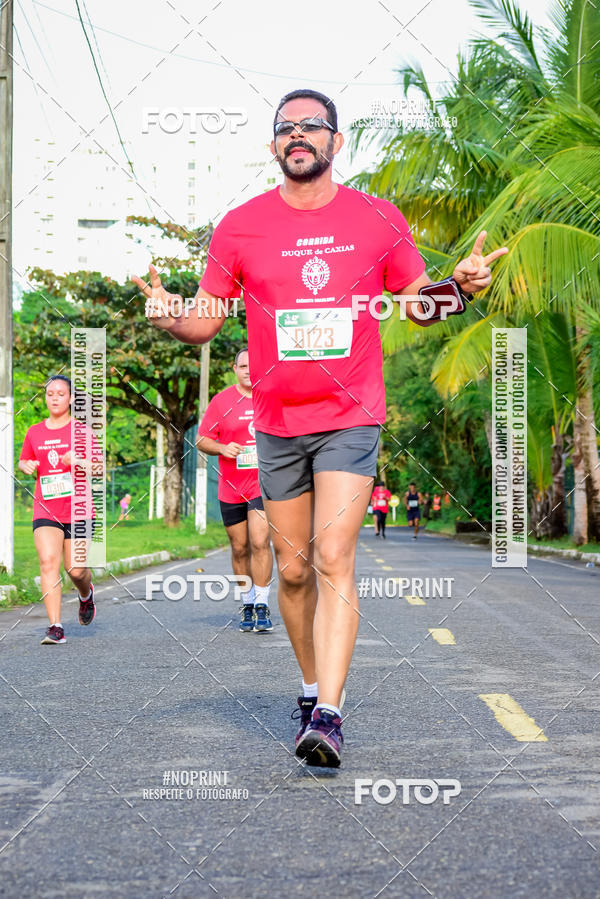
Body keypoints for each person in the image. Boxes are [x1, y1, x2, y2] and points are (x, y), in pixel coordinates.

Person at [134, 87, 507, 767]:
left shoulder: (376, 218)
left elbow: (418, 304)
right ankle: (310, 689)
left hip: (350, 415)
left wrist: (460, 286)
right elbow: (207, 320)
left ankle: (329, 716)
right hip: (278, 423)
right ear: (274, 146)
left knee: (335, 557)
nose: (298, 134)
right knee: (295, 570)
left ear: (336, 143)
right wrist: (168, 313)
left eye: (312, 125)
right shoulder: (241, 226)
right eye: (286, 127)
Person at [196, 348, 274, 633]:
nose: (248, 371)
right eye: (242, 366)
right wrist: (222, 448)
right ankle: (248, 602)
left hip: (262, 483)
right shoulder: (222, 401)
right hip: (231, 487)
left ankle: (263, 603)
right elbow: (202, 439)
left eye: (253, 366)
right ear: (234, 368)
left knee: (259, 541)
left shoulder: (271, 398)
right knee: (239, 547)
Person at [17, 375, 98, 644]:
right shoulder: (34, 432)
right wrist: (25, 466)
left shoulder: (83, 432)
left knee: (75, 570)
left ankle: (86, 596)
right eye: (50, 393)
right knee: (48, 563)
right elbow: (25, 460)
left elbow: (98, 468)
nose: (54, 398)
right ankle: (55, 627)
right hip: (45, 509)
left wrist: (79, 460)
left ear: (71, 398)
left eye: (60, 393)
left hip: (79, 509)